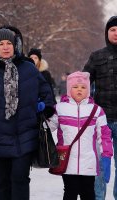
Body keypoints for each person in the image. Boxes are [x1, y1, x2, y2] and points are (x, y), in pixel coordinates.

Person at [0, 25, 55, 200]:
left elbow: (46, 92)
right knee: (2, 182)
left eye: (8, 43)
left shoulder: (29, 68)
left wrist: (45, 108)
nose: (5, 47)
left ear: (15, 45)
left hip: (25, 134)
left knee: (20, 179)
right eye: (1, 43)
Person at [47, 71, 113, 200]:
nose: (79, 90)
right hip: (67, 161)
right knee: (70, 192)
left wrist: (106, 156)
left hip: (89, 162)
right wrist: (43, 114)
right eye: (75, 87)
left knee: (88, 193)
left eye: (83, 87)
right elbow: (47, 128)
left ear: (88, 90)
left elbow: (104, 135)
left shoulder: (96, 110)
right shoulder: (60, 108)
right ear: (69, 89)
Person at [83, 15, 117, 200]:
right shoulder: (96, 56)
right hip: (101, 121)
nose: (116, 33)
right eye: (112, 29)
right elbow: (82, 83)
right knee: (99, 165)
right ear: (107, 33)